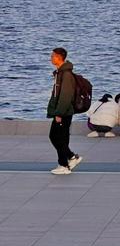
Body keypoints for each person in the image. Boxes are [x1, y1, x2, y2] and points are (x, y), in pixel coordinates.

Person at [47, 47, 82, 175]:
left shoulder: (66, 75)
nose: (51, 58)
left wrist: (59, 113)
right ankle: (69, 159)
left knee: (56, 137)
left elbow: (65, 96)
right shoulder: (59, 73)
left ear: (59, 57)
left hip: (63, 113)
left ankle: (65, 164)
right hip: (61, 112)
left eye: (52, 56)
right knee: (60, 138)